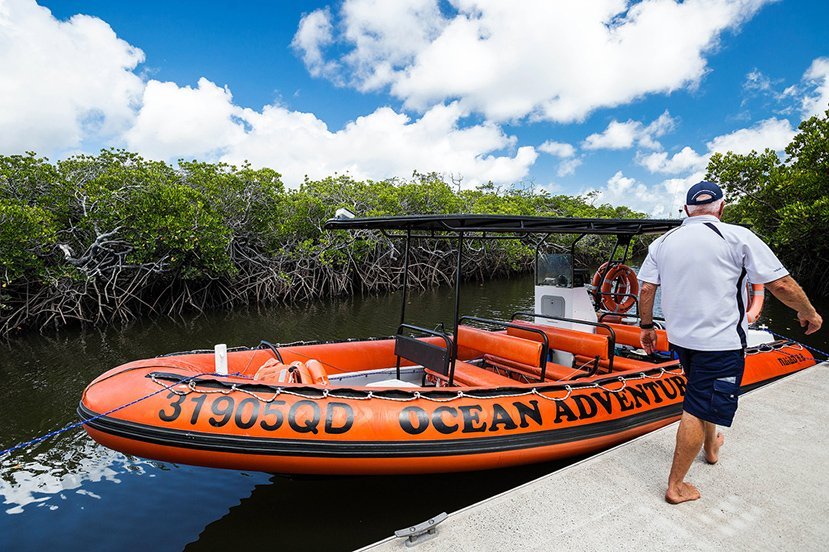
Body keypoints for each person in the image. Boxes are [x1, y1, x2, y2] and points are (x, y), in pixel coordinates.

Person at [637, 180, 823, 505]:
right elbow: (779, 283)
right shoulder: (737, 235)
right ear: (721, 208)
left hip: (682, 340)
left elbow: (647, 290)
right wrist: (808, 311)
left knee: (702, 392)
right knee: (696, 407)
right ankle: (676, 486)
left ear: (686, 210)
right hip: (719, 342)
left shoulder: (663, 242)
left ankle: (710, 448)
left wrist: (647, 327)